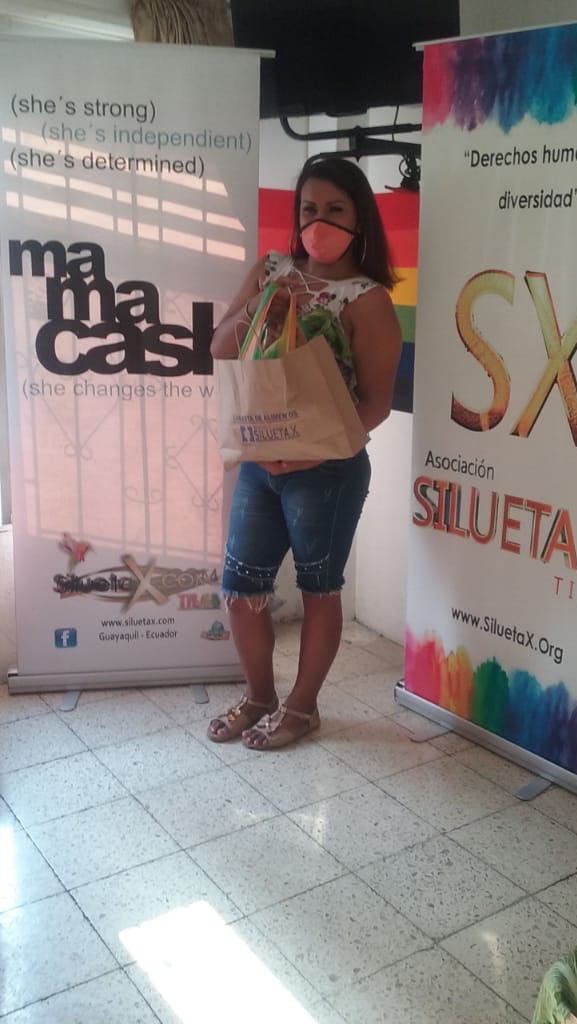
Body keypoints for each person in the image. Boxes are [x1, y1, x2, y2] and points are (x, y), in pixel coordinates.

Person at [207, 156, 402, 750]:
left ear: (360, 220)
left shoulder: (368, 300)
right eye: (309, 209)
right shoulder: (271, 269)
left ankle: (301, 708)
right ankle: (259, 697)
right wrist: (261, 302)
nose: (320, 222)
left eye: (335, 210)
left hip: (330, 471)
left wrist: (315, 455)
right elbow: (219, 347)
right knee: (241, 588)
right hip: (260, 463)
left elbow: (376, 404)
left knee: (320, 589)